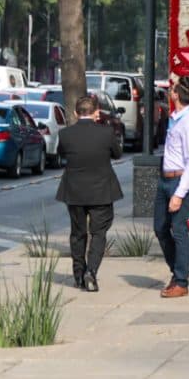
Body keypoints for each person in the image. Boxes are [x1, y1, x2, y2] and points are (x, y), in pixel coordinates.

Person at [55, 94, 123, 292]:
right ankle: (91, 271)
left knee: (77, 233)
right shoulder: (106, 133)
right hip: (101, 189)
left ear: (76, 113)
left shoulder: (66, 134)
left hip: (74, 190)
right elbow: (117, 154)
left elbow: (61, 153)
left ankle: (78, 275)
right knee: (99, 232)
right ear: (97, 113)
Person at [155, 76, 189, 298]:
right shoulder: (175, 118)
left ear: (175, 94)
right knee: (160, 227)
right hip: (166, 178)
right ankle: (176, 270)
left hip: (181, 179)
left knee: (179, 229)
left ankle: (181, 281)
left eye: (171, 88)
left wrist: (179, 194)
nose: (169, 91)